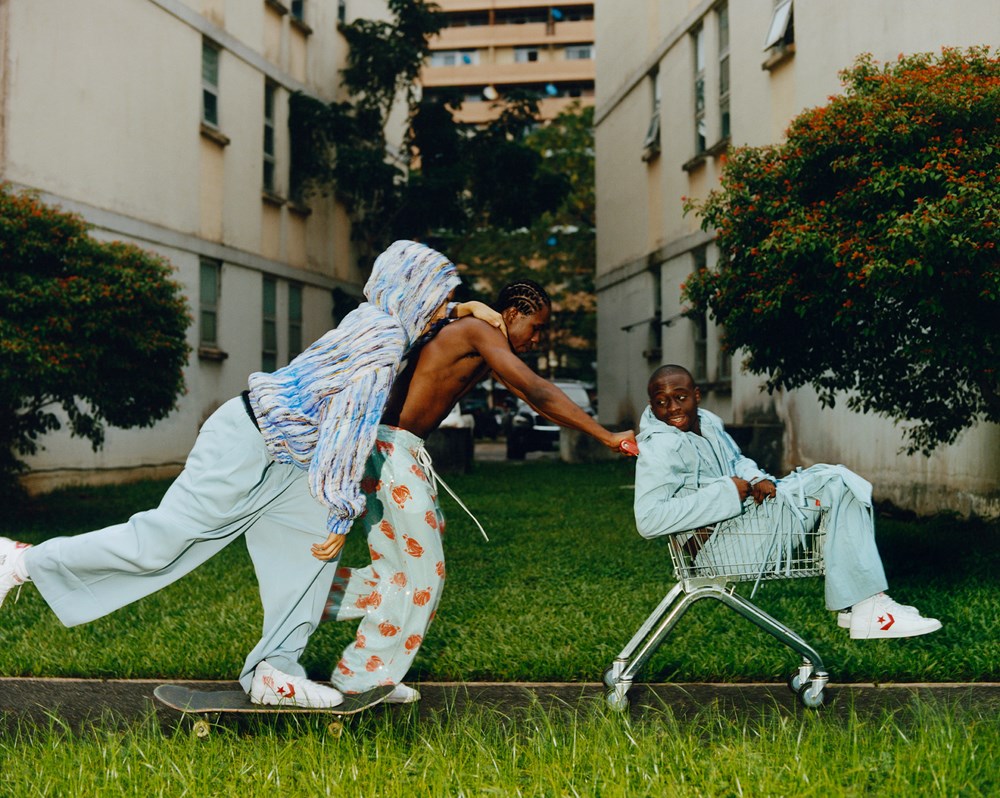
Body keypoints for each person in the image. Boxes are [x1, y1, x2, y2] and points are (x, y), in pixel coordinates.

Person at [0, 240, 505, 708]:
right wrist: (341, 510)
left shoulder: (377, 317)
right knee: (163, 542)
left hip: (291, 462)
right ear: (416, 293)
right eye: (441, 297)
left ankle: (274, 671)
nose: (444, 308)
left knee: (306, 567)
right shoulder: (381, 343)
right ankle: (22, 561)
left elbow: (416, 320)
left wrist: (464, 309)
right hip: (249, 443)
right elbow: (348, 432)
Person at [317, 280, 638, 701]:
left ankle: (357, 659)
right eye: (536, 327)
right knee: (425, 575)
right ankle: (317, 610)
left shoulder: (481, 338)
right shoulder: (478, 331)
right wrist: (606, 435)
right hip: (389, 449)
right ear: (512, 313)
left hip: (394, 450)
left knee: (400, 574)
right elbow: (538, 387)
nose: (538, 339)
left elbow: (533, 397)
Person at [633, 364, 941, 640]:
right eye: (661, 402)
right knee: (834, 481)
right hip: (717, 549)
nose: (672, 408)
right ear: (652, 405)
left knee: (836, 480)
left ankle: (863, 604)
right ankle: (866, 605)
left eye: (681, 397)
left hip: (740, 524)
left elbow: (736, 459)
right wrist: (726, 492)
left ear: (697, 395)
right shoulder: (660, 447)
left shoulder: (708, 422)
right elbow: (648, 520)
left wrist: (755, 480)